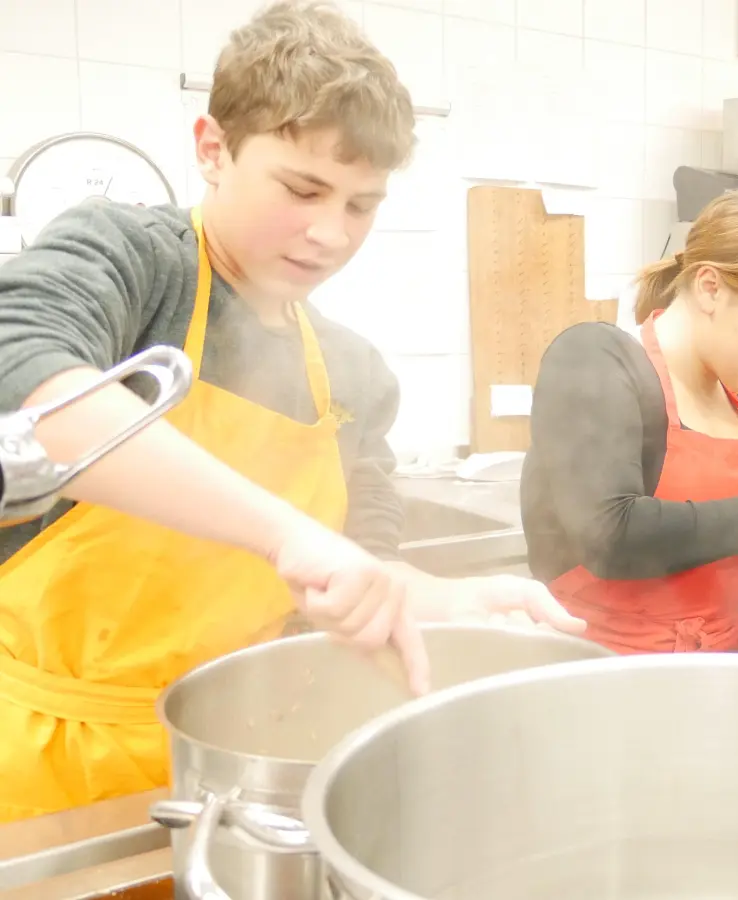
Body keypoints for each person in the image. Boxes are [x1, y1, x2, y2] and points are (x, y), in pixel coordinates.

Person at [0, 0, 581, 823]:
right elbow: (25, 381)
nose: (329, 234)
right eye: (302, 188)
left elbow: (350, 566)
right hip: (39, 776)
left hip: (232, 770)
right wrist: (285, 531)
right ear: (214, 148)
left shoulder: (350, 372)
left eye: (360, 205)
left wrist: (427, 596)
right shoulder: (135, 260)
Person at [521, 186, 738, 655]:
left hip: (718, 675)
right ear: (710, 288)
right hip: (597, 673)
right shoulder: (597, 361)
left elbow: (728, 560)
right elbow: (609, 535)